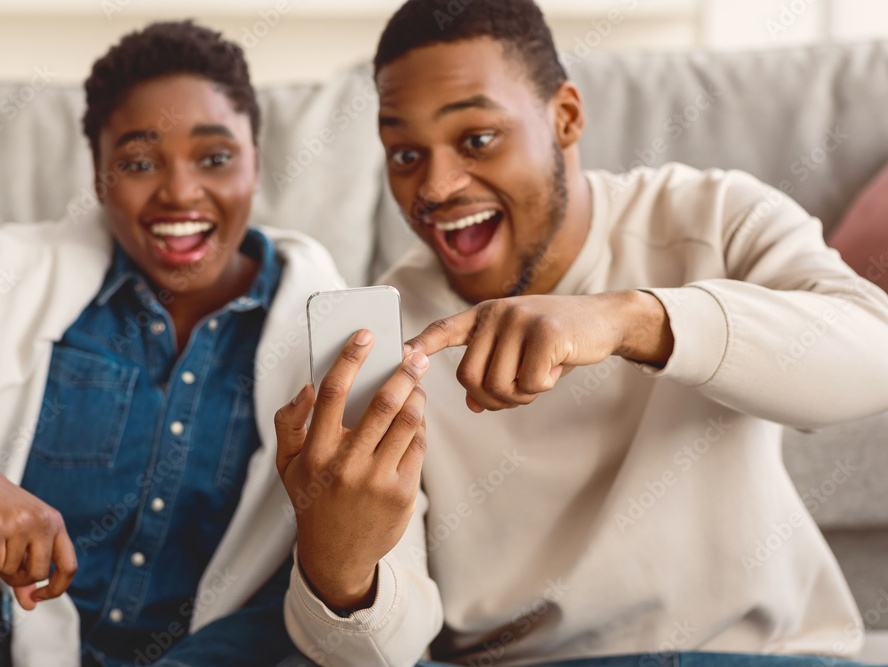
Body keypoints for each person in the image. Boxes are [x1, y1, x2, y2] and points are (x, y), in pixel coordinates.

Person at [273, 1, 888, 665]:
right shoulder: (386, 338)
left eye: (477, 139)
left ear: (564, 117)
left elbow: (872, 354)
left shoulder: (711, 214)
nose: (436, 186)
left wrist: (630, 318)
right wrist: (341, 577)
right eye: (405, 153)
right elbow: (383, 651)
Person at [0, 21, 344, 667]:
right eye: (137, 162)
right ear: (99, 174)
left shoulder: (326, 331)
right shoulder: (9, 272)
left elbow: (315, 587)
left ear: (256, 160)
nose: (180, 193)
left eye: (214, 158)